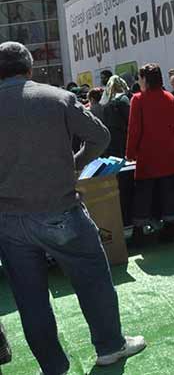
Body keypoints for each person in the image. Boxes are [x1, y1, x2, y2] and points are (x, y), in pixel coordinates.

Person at [0, 42, 146, 374]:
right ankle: (109, 347)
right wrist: (75, 165)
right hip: (60, 209)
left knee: (30, 299)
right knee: (93, 280)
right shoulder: (57, 98)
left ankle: (53, 367)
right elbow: (99, 137)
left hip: (8, 220)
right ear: (30, 68)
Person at [126, 63, 174, 243]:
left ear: (144, 79)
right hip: (168, 150)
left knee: (143, 191)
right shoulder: (169, 97)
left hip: (148, 152)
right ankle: (170, 225)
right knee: (168, 190)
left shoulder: (138, 99)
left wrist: (130, 152)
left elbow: (134, 129)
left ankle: (139, 229)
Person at [102, 75, 131, 158]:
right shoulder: (123, 98)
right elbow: (129, 118)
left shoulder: (107, 100)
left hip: (111, 136)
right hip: (122, 135)